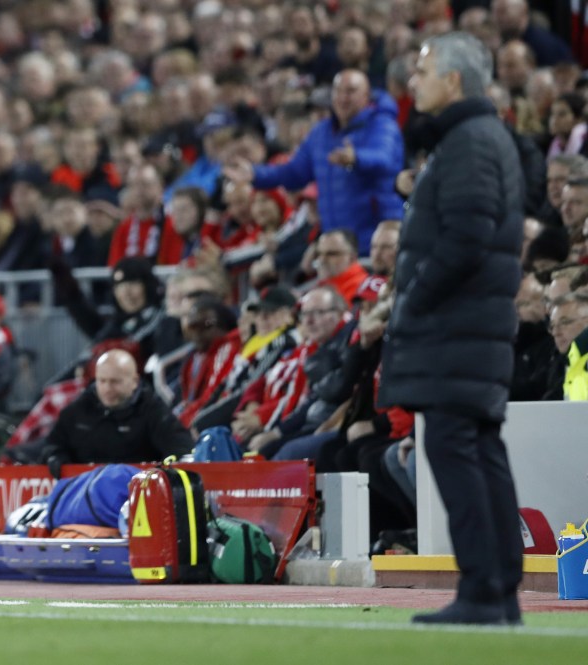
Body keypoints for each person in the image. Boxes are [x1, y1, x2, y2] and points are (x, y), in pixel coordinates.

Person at [378, 33, 525, 626]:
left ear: (455, 81)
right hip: (469, 328)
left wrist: (413, 300)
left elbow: (467, 236)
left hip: (455, 327)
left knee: (455, 448)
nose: (414, 82)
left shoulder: (468, 141)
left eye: (424, 70)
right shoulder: (477, 138)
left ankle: (485, 589)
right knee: (477, 450)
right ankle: (494, 591)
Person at [222, 69, 404, 256]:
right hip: (338, 244)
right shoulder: (321, 133)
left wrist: (356, 158)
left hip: (376, 242)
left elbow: (384, 158)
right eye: (338, 91)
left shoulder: (382, 124)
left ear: (366, 95)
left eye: (350, 91)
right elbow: (294, 173)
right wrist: (255, 174)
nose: (343, 98)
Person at [40, 349, 194, 479]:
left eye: (115, 382)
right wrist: (55, 457)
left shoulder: (152, 410)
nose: (107, 388)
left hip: (136, 496)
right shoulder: (79, 409)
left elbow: (181, 448)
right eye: (102, 381)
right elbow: (52, 444)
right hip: (83, 494)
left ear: (134, 381)